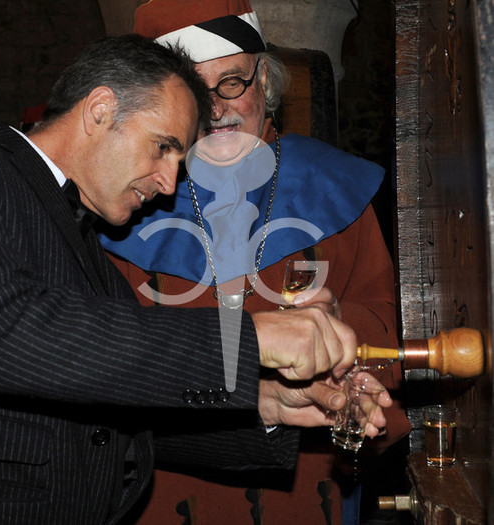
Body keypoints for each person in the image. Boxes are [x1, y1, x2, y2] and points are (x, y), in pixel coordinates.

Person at [0, 34, 392, 525]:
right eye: (162, 147)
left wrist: (266, 406)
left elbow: (121, 422)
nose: (170, 184)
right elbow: (5, 331)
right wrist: (252, 338)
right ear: (101, 110)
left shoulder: (84, 238)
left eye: (180, 159)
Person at [97, 2, 412, 524]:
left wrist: (339, 332)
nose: (216, 109)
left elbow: (391, 327)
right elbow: (105, 373)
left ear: (264, 80)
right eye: (193, 90)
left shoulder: (335, 188)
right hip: (166, 489)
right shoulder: (123, 207)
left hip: (307, 484)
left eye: (232, 82)